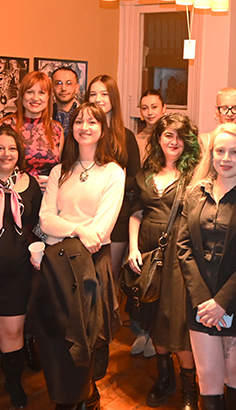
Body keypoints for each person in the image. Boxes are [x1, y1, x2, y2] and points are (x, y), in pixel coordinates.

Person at [31, 102, 125, 410]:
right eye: (79, 121)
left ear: (102, 129)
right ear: (71, 129)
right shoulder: (59, 171)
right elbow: (45, 219)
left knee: (87, 331)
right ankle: (67, 395)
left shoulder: (113, 173)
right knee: (57, 332)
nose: (85, 127)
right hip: (57, 264)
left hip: (91, 266)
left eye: (92, 122)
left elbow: (100, 232)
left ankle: (86, 395)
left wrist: (78, 232)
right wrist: (77, 230)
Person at [177, 123, 236, 410]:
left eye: (234, 152)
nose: (226, 158)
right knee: (208, 376)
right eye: (220, 151)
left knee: (233, 373)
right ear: (211, 154)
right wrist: (203, 300)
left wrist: (223, 302)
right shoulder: (194, 195)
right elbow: (183, 248)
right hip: (201, 299)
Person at [127, 113, 202, 410]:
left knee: (179, 320)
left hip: (181, 255)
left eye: (180, 136)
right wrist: (133, 248)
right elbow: (136, 212)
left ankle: (189, 387)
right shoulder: (147, 172)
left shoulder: (195, 174)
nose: (174, 141)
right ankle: (164, 376)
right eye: (168, 135)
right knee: (154, 314)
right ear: (158, 138)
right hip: (149, 252)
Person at [0, 126, 43, 410]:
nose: (6, 154)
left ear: (19, 153)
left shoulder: (30, 184)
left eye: (12, 148)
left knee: (13, 330)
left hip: (17, 272)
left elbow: (38, 224)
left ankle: (14, 383)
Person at [88, 74, 142, 367]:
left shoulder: (126, 136)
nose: (98, 100)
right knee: (89, 279)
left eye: (104, 94)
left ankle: (104, 339)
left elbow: (136, 178)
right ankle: (89, 335)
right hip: (86, 214)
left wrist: (113, 178)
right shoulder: (84, 131)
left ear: (113, 99)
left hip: (119, 216)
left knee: (108, 279)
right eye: (93, 94)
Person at [1, 71, 64, 187]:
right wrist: (27, 182)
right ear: (22, 95)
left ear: (48, 97)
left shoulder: (56, 129)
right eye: (30, 92)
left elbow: (60, 168)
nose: (35, 98)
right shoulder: (7, 125)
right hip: (17, 191)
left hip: (48, 192)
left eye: (41, 93)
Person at [136, 89, 167, 157]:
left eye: (154, 107)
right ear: (140, 111)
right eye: (144, 108)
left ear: (164, 108)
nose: (149, 112)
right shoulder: (136, 141)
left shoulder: (171, 137)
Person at [51, 67, 80, 139]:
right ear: (52, 88)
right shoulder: (44, 115)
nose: (63, 88)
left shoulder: (84, 115)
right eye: (58, 83)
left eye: (69, 83)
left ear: (77, 88)